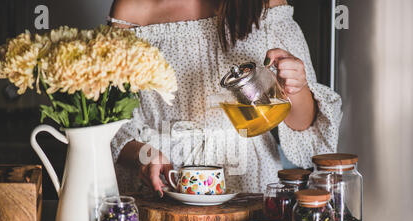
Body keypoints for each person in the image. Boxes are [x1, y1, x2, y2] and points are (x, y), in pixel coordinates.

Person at [109, 0, 342, 196]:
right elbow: (113, 122)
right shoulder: (132, 10)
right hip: (164, 183)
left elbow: (303, 124)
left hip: (249, 179)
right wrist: (145, 157)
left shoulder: (267, 5)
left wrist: (296, 87)